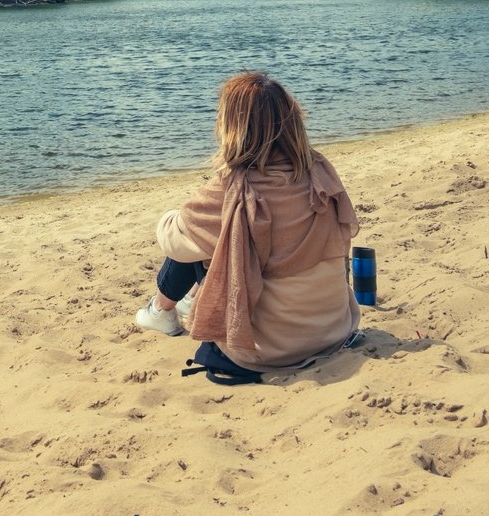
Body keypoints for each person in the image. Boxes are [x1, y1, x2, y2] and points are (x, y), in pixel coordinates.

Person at [135, 72, 361, 371]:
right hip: (333, 330)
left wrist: (173, 215)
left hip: (270, 348)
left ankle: (161, 311)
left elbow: (173, 240)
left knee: (199, 231)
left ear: (233, 126)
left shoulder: (236, 188)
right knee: (225, 231)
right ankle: (186, 299)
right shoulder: (319, 170)